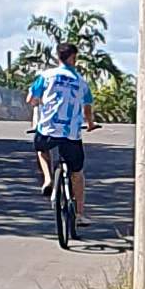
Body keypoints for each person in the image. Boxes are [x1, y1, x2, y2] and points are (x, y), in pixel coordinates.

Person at [27, 47, 90, 224]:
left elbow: (31, 99)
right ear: (72, 58)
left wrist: (39, 102)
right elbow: (87, 108)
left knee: (41, 150)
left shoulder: (46, 76)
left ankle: (47, 178)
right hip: (71, 134)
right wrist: (91, 124)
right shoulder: (81, 81)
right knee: (77, 173)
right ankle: (79, 214)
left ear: (58, 57)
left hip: (48, 129)